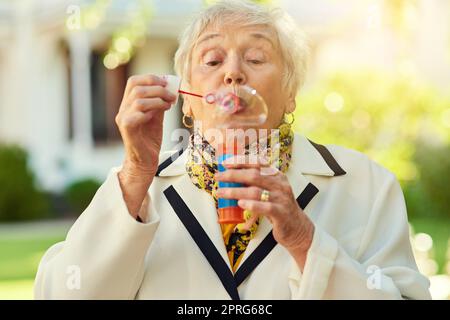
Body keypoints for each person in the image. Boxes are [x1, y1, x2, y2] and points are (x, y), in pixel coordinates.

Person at [34, 0, 430, 299]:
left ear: (291, 93)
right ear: (186, 100)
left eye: (256, 58)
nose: (233, 72)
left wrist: (304, 240)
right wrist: (137, 170)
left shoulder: (367, 186)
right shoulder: (136, 192)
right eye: (211, 59)